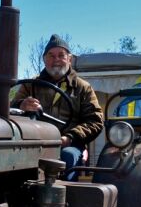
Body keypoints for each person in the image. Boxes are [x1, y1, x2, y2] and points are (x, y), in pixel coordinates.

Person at [12, 34, 104, 173]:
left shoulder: (82, 87)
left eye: (61, 55)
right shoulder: (31, 85)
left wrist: (70, 137)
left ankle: (64, 193)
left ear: (69, 59)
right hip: (35, 143)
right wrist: (21, 105)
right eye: (51, 55)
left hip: (68, 144)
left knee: (67, 156)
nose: (56, 60)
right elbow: (11, 110)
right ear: (44, 59)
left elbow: (95, 121)